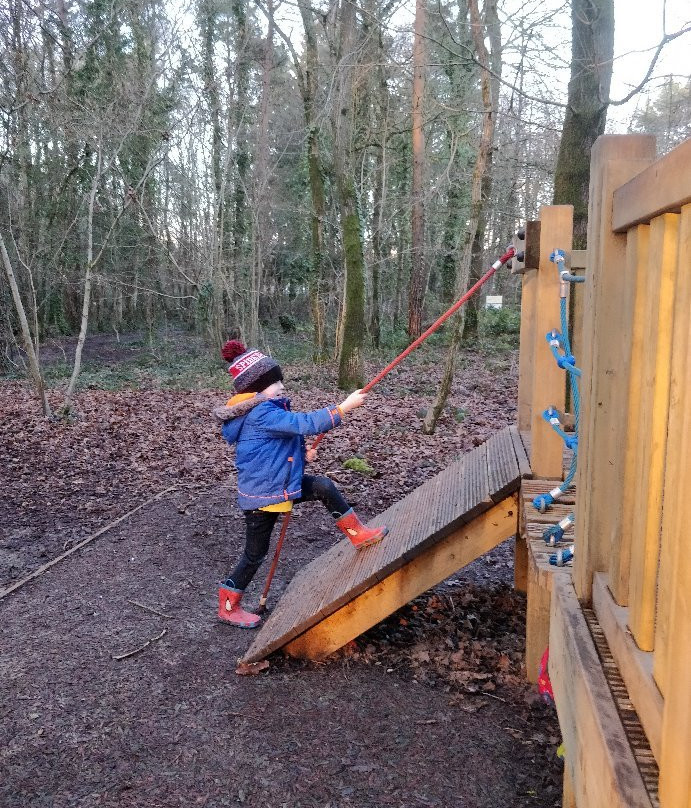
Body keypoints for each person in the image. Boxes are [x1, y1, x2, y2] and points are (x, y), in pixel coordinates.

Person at [213, 340, 389, 629]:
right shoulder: (262, 413)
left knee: (323, 486)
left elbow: (277, 446)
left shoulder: (263, 410)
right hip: (264, 496)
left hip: (278, 484)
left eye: (280, 380)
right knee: (254, 554)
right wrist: (343, 408)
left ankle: (358, 534)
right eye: (274, 383)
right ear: (256, 390)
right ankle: (228, 604)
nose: (281, 386)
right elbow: (304, 423)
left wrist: (301, 455)